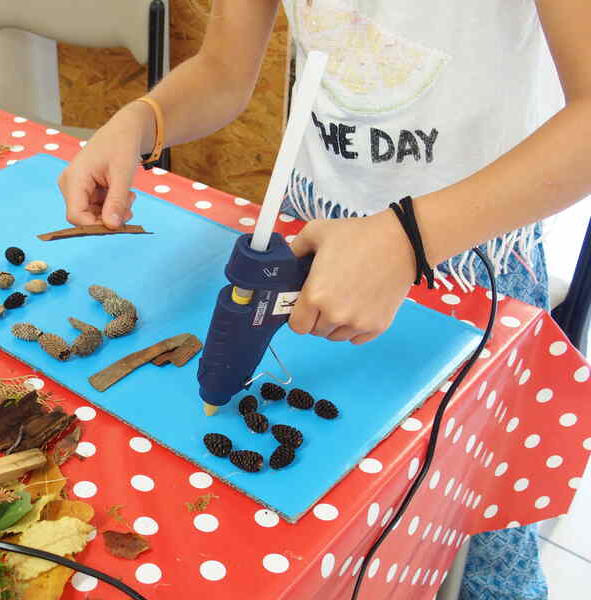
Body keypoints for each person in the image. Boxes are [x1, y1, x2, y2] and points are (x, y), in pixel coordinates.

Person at [59, 2, 589, 597]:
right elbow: (222, 68)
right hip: (315, 225)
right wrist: (142, 117)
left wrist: (407, 240)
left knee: (472, 523)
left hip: (470, 251)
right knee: (318, 528)